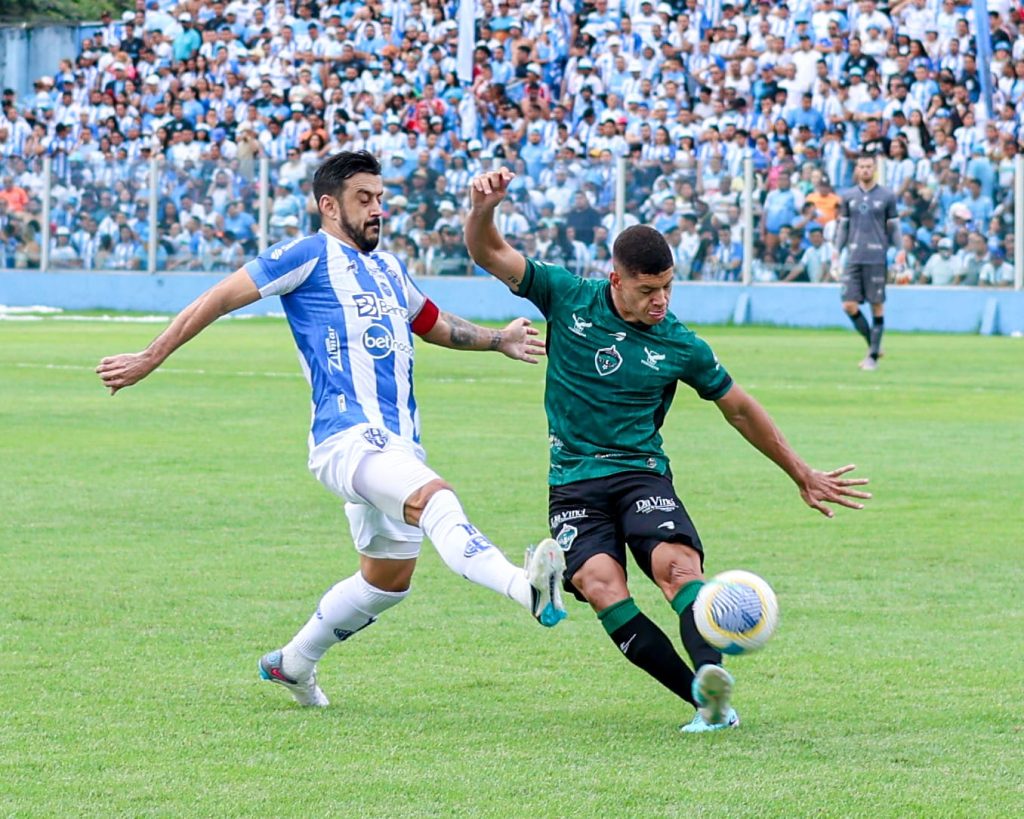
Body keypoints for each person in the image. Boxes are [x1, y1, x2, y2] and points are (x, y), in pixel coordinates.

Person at [96, 151, 567, 708]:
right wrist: (151, 356)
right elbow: (218, 298)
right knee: (436, 499)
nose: (377, 210)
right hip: (346, 437)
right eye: (364, 200)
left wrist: (497, 339)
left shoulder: (389, 268)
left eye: (381, 199)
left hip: (397, 440)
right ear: (329, 205)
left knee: (388, 580)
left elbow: (434, 324)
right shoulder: (308, 254)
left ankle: (293, 663)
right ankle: (527, 588)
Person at [464, 167, 872, 734]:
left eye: (668, 287)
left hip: (641, 476)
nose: (661, 300)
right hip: (575, 481)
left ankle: (711, 673)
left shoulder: (679, 343)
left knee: (678, 570)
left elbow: (739, 407)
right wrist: (484, 208)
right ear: (616, 279)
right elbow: (489, 251)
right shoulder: (566, 296)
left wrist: (799, 471)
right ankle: (706, 703)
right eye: (648, 290)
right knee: (602, 586)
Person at [833, 154, 901, 371]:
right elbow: (843, 227)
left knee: (876, 306)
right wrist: (836, 249)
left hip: (876, 257)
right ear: (856, 169)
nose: (865, 170)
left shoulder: (887, 196)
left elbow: (894, 227)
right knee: (848, 305)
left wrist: (900, 251)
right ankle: (874, 345)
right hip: (854, 256)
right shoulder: (848, 196)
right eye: (861, 166)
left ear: (875, 169)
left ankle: (872, 357)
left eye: (869, 166)